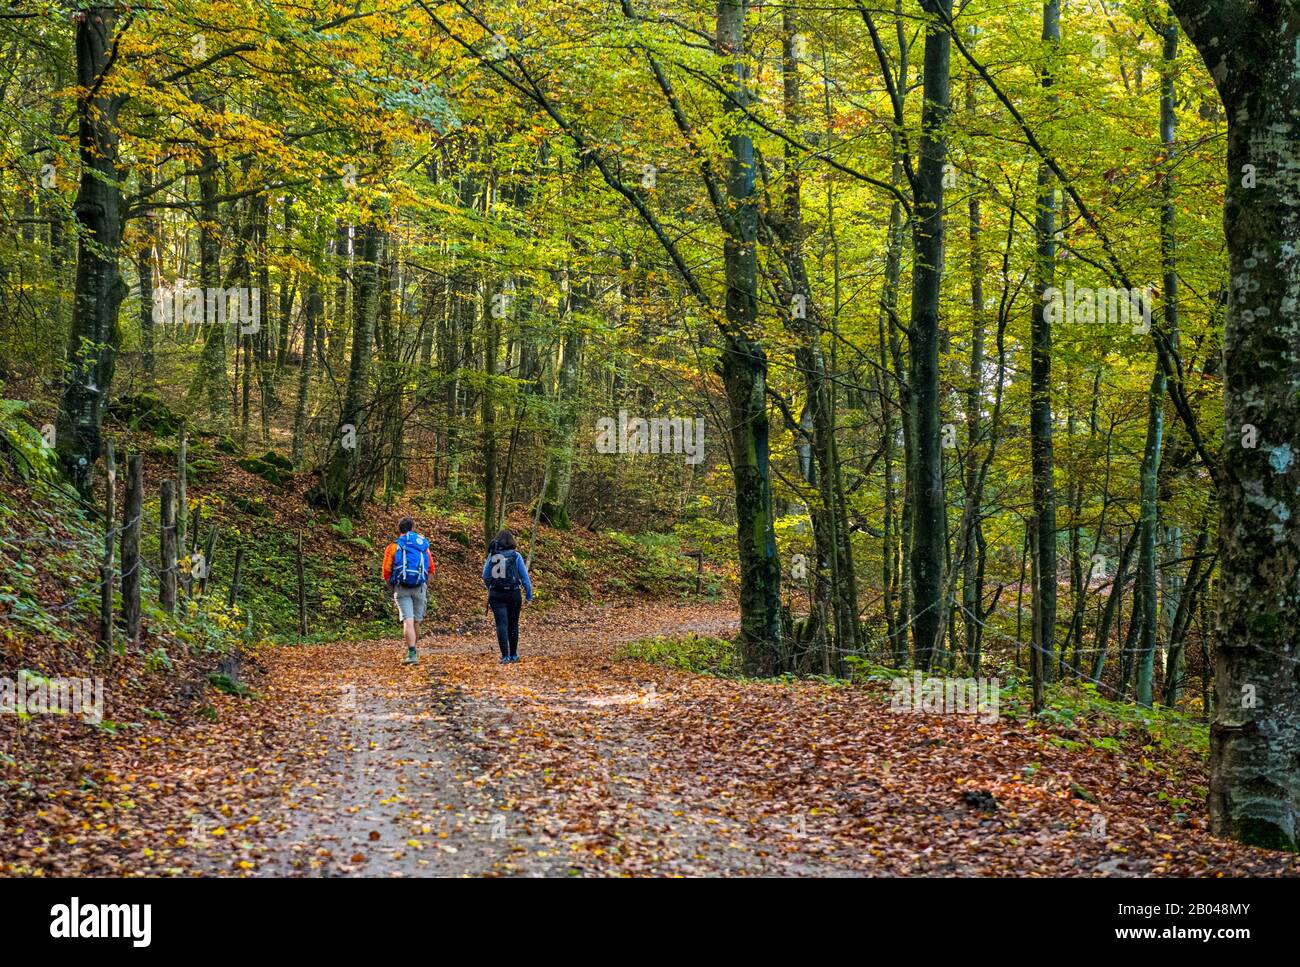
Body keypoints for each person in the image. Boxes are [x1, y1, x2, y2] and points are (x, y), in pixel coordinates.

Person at [383, 517, 434, 665]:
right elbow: (431, 570)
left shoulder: (393, 547)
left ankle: (411, 652)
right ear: (413, 528)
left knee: (408, 620)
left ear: (399, 530)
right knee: (416, 621)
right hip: (419, 587)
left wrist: (394, 589)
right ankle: (414, 650)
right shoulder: (422, 546)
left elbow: (386, 572)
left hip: (402, 588)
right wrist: (424, 586)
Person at [482, 529, 532, 664]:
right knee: (513, 624)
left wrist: (491, 588)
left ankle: (505, 656)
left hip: (496, 594)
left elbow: (485, 576)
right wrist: (528, 594)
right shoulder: (516, 556)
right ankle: (514, 654)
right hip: (513, 593)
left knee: (501, 625)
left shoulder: (492, 556)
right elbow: (524, 577)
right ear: (511, 541)